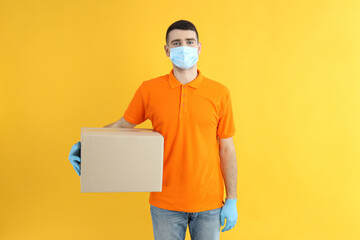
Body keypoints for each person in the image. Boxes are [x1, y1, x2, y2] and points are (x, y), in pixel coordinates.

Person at [69, 19, 238, 240]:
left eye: (189, 42)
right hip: (165, 204)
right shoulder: (150, 90)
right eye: (176, 43)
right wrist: (88, 147)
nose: (184, 47)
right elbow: (122, 126)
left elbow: (227, 149)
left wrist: (232, 198)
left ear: (199, 47)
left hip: (209, 203)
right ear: (167, 50)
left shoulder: (219, 93)